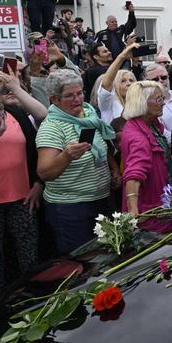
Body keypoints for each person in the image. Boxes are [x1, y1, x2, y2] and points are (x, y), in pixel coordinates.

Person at [36, 70, 117, 254]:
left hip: (102, 200)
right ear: (54, 99)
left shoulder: (88, 113)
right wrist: (66, 155)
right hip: (72, 209)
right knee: (85, 263)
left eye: (79, 93)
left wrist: (114, 169)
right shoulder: (51, 127)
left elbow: (101, 144)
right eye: (69, 96)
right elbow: (45, 173)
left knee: (109, 255)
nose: (77, 99)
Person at [0, 69, 43, 294]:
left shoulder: (14, 113)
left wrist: (38, 183)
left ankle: (34, 300)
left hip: (22, 198)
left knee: (29, 256)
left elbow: (35, 150)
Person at [121, 81, 172, 233]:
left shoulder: (150, 124)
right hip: (150, 211)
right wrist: (133, 209)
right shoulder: (138, 137)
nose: (163, 103)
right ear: (142, 103)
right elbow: (134, 173)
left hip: (161, 203)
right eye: (158, 99)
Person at [98, 43, 139, 123]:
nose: (129, 83)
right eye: (123, 81)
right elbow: (106, 84)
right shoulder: (108, 103)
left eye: (131, 80)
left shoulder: (139, 104)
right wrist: (122, 57)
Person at [144, 62, 172, 136]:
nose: (160, 81)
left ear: (168, 77)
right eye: (155, 79)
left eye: (164, 77)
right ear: (147, 82)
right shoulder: (146, 106)